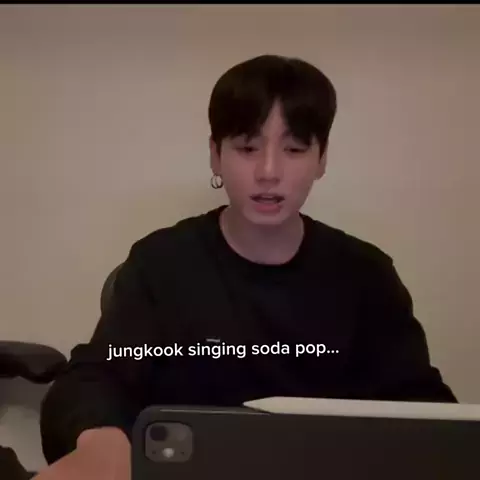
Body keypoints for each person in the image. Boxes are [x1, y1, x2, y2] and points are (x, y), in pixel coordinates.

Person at [34, 54, 456, 479]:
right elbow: (95, 378)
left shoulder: (366, 275)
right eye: (247, 148)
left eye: (294, 149)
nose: (269, 171)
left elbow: (420, 407)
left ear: (322, 159)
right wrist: (100, 441)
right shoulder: (162, 264)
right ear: (216, 155)